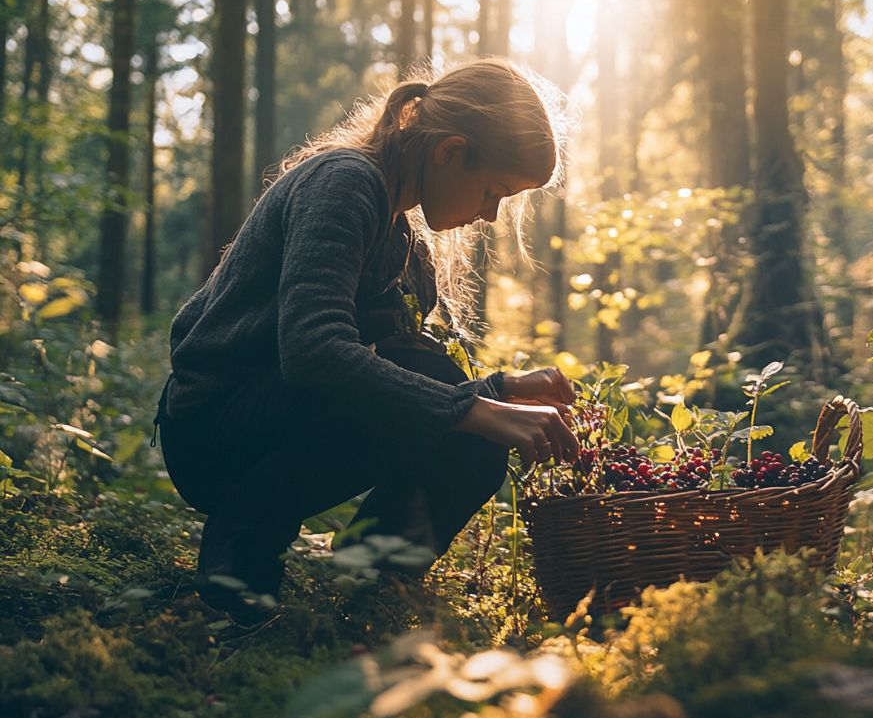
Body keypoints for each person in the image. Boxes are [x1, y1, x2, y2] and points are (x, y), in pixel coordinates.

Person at [154, 59, 580, 623]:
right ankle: (238, 566)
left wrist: (498, 391)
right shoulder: (344, 184)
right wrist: (473, 404)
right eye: (494, 190)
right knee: (451, 396)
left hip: (270, 415)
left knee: (471, 431)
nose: (490, 215)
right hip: (212, 432)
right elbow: (314, 352)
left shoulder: (404, 239)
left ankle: (368, 585)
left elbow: (399, 385)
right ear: (450, 151)